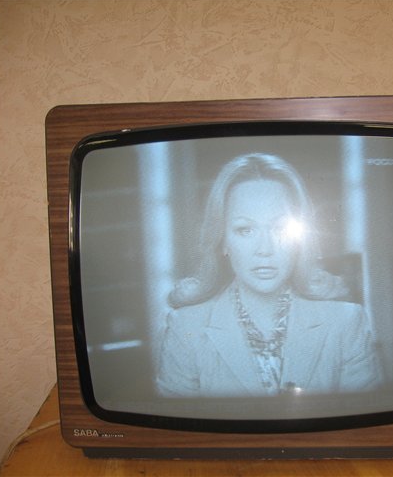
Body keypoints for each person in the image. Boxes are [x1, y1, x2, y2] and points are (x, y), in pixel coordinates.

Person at [156, 153, 380, 397]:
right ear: (223, 241)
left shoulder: (346, 323)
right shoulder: (185, 328)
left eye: (280, 228)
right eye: (245, 230)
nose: (265, 249)